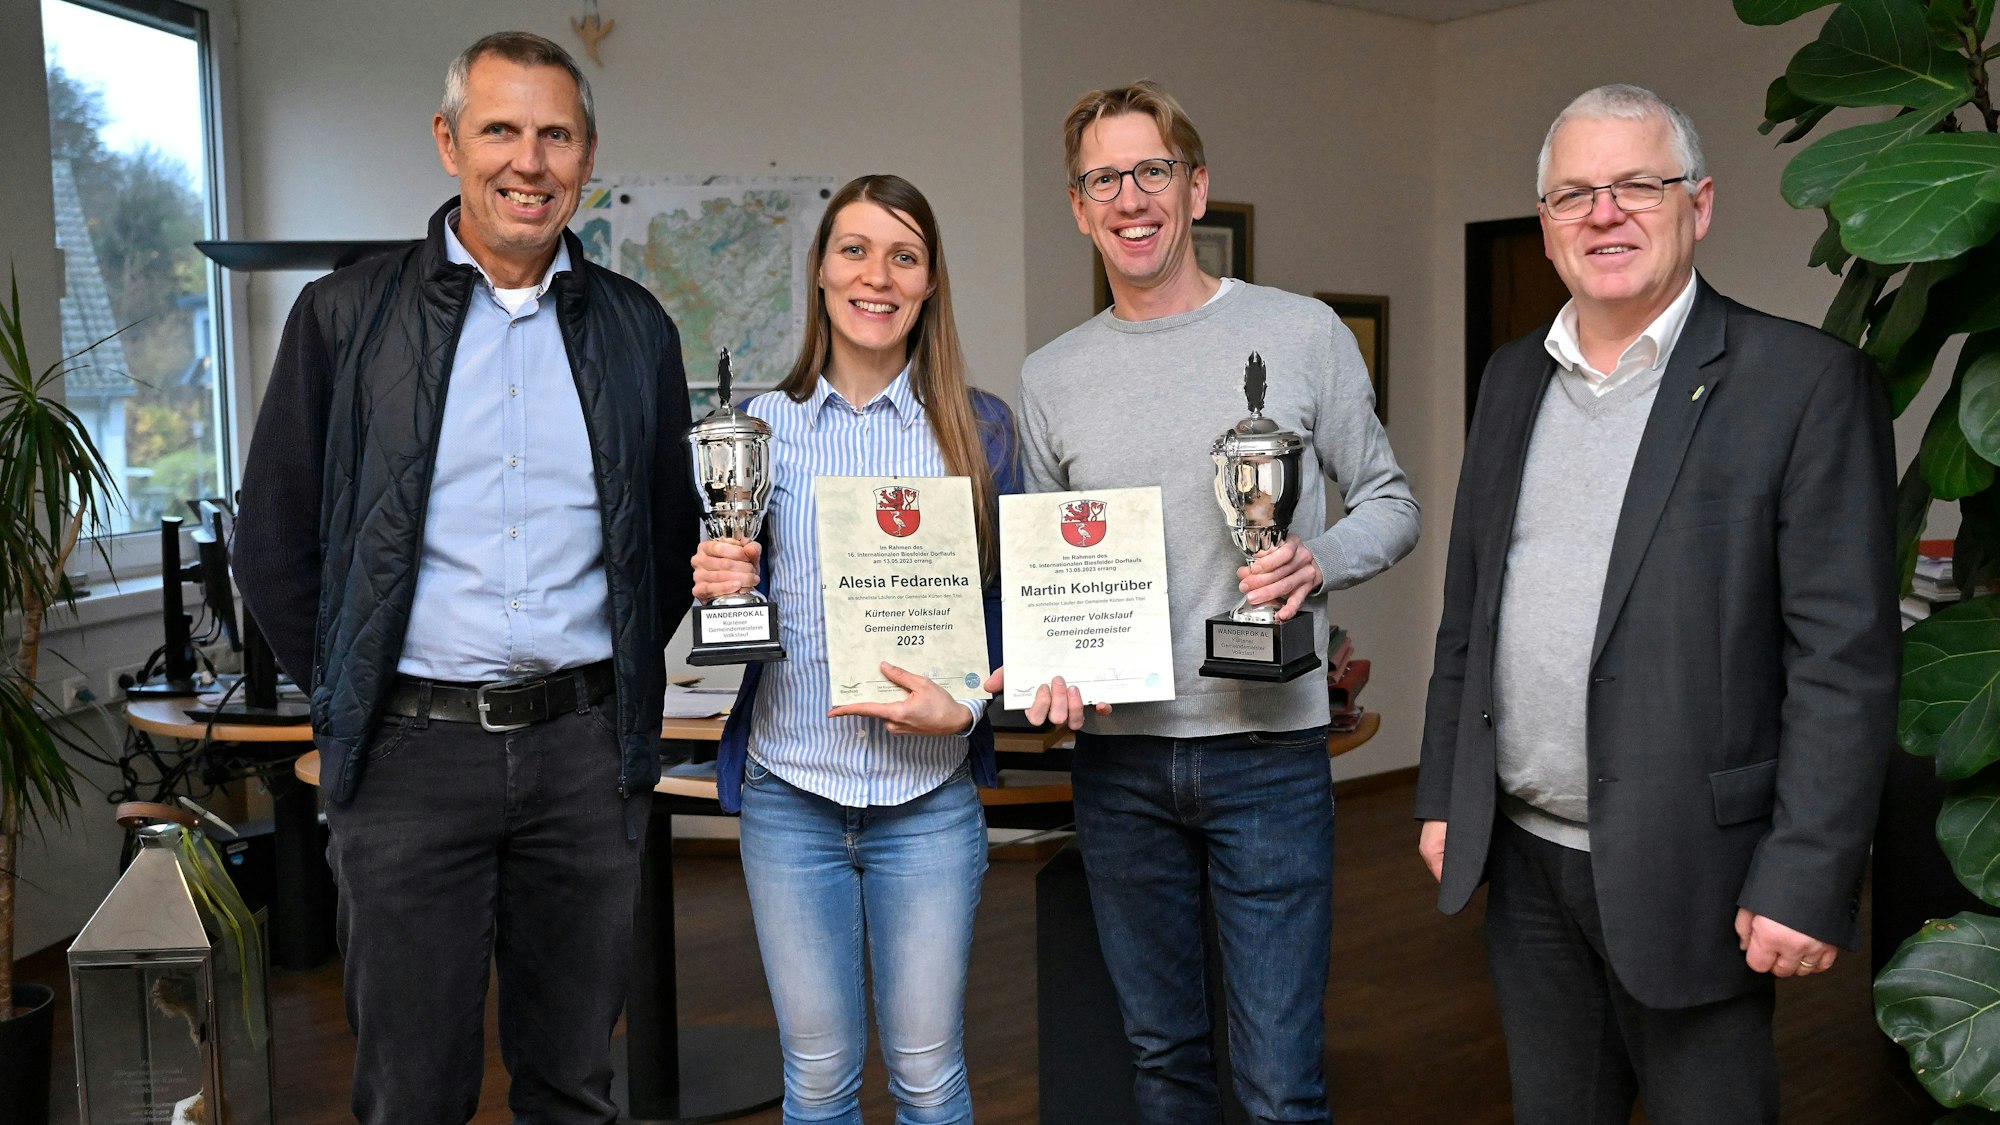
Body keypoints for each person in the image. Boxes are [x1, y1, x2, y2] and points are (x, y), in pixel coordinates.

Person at [233, 31, 697, 1123]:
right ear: (448, 142)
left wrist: (601, 702)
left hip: (585, 758)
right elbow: (274, 539)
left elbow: (666, 542)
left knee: (573, 1085)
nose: (526, 162)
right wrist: (357, 701)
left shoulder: (635, 327)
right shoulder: (344, 316)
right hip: (407, 761)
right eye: (500, 130)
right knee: (411, 1091)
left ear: (586, 156)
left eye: (554, 135)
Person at [1415, 84, 1899, 1123]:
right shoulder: (1510, 380)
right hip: (1525, 861)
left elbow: (1842, 661)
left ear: (1699, 204)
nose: (1603, 214)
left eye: (1636, 185)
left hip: (1700, 872)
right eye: (1573, 194)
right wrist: (1443, 791)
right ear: (1544, 227)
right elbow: (1471, 613)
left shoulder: (1802, 383)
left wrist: (1805, 874)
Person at [986, 82, 1419, 1122]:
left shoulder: (1302, 332)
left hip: (1266, 754)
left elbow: (1391, 503)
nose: (1130, 198)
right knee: (1162, 1064)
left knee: (1277, 1082)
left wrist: (1311, 559)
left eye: (1151, 171)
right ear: (1078, 206)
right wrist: (1046, 661)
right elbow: (1053, 569)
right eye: (1103, 179)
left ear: (1194, 186)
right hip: (1119, 763)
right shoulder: (1052, 377)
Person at [692, 174, 1019, 1125]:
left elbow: (1011, 609)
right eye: (856, 249)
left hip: (929, 804)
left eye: (904, 255)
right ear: (821, 270)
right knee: (820, 1081)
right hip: (792, 798)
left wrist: (968, 703)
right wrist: (717, 579)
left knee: (927, 1078)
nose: (877, 275)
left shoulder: (982, 428)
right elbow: (727, 587)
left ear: (929, 284)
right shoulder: (758, 431)